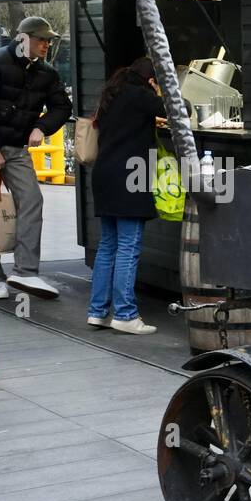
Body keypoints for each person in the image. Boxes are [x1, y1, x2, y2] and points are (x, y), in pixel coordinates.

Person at [0, 16, 73, 300]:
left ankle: (25, 272)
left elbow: (62, 106)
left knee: (32, 199)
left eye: (48, 40)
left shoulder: (46, 71)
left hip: (17, 147)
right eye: (41, 39)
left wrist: (41, 127)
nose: (47, 44)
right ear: (23, 38)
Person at [85, 57, 164, 335]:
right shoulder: (141, 94)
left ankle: (97, 312)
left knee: (108, 245)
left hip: (105, 175)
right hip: (130, 176)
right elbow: (179, 109)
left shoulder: (113, 93)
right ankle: (125, 314)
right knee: (128, 247)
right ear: (151, 79)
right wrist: (159, 92)